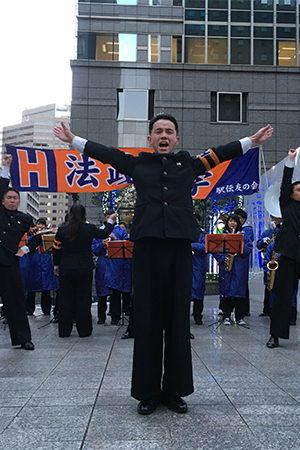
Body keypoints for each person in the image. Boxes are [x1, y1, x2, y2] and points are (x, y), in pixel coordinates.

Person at [54, 114, 273, 414]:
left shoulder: (191, 165)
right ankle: (147, 392)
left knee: (177, 319)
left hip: (179, 249)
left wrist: (252, 141)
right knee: (146, 318)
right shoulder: (137, 164)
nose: (163, 135)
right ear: (150, 139)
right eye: (158, 131)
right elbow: (106, 153)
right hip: (146, 248)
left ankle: (175, 390)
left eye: (169, 131)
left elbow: (222, 153)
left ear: (177, 138)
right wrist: (73, 140)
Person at [52, 204, 116, 338]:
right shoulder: (90, 229)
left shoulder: (62, 230)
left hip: (67, 267)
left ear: (70, 215)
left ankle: (64, 331)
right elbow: (104, 234)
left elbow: (56, 250)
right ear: (84, 215)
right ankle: (84, 330)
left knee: (65, 299)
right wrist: (111, 221)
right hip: (85, 267)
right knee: (83, 298)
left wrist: (56, 266)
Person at [0, 155, 43, 350]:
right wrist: (5, 168)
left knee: (17, 302)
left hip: (10, 263)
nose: (12, 200)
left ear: (18, 201)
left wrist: (24, 249)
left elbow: (37, 238)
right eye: (8, 197)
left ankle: (24, 339)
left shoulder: (25, 219)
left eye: (15, 198)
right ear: (2, 201)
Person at [266, 148, 300, 348]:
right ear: (291, 194)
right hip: (287, 254)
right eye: (298, 190)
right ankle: (275, 335)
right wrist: (290, 159)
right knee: (282, 296)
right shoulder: (286, 204)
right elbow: (287, 181)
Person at [214, 214, 253, 326]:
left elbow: (249, 248)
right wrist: (223, 258)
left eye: (234, 221)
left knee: (239, 292)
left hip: (239, 268)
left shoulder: (244, 236)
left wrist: (238, 247)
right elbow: (215, 249)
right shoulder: (222, 235)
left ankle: (240, 317)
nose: (232, 223)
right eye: (230, 221)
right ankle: (226, 316)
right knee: (226, 291)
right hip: (226, 268)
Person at [25, 218, 58, 316]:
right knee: (31, 287)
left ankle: (46, 309)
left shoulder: (48, 235)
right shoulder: (31, 234)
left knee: (46, 288)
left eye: (42, 224)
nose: (40, 226)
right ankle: (30, 309)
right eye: (38, 224)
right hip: (34, 263)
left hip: (46, 263)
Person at [263, 240, 297, 325]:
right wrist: (268, 271)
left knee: (290, 296)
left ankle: (290, 316)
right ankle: (274, 314)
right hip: (275, 275)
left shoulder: (293, 244)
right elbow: (266, 261)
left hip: (288, 274)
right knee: (274, 296)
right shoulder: (272, 245)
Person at [256, 215, 282, 317]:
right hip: (268, 260)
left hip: (278, 262)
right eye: (272, 217)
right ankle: (268, 309)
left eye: (276, 218)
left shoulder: (282, 230)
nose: (273, 219)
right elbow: (259, 244)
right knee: (268, 287)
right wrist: (263, 241)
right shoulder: (267, 232)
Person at [234, 208, 254, 317]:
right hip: (233, 262)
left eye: (239, 218)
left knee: (243, 285)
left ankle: (244, 310)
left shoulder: (247, 230)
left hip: (241, 261)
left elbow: (248, 243)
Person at [191, 214, 207, 325]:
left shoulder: (203, 235)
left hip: (198, 266)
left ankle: (198, 316)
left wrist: (192, 245)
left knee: (198, 292)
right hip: (186, 265)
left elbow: (205, 248)